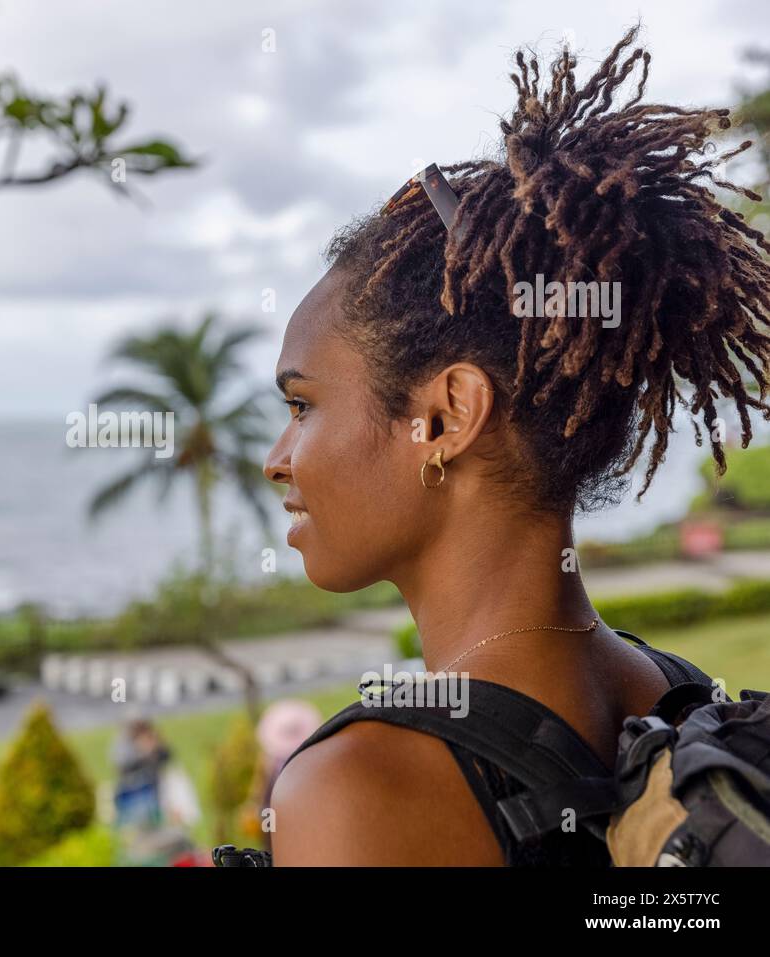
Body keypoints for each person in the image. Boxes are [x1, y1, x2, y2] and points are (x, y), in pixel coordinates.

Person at [262, 26, 770, 866]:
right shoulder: (686, 698)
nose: (279, 456)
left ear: (448, 413)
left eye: (302, 403)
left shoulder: (356, 789)